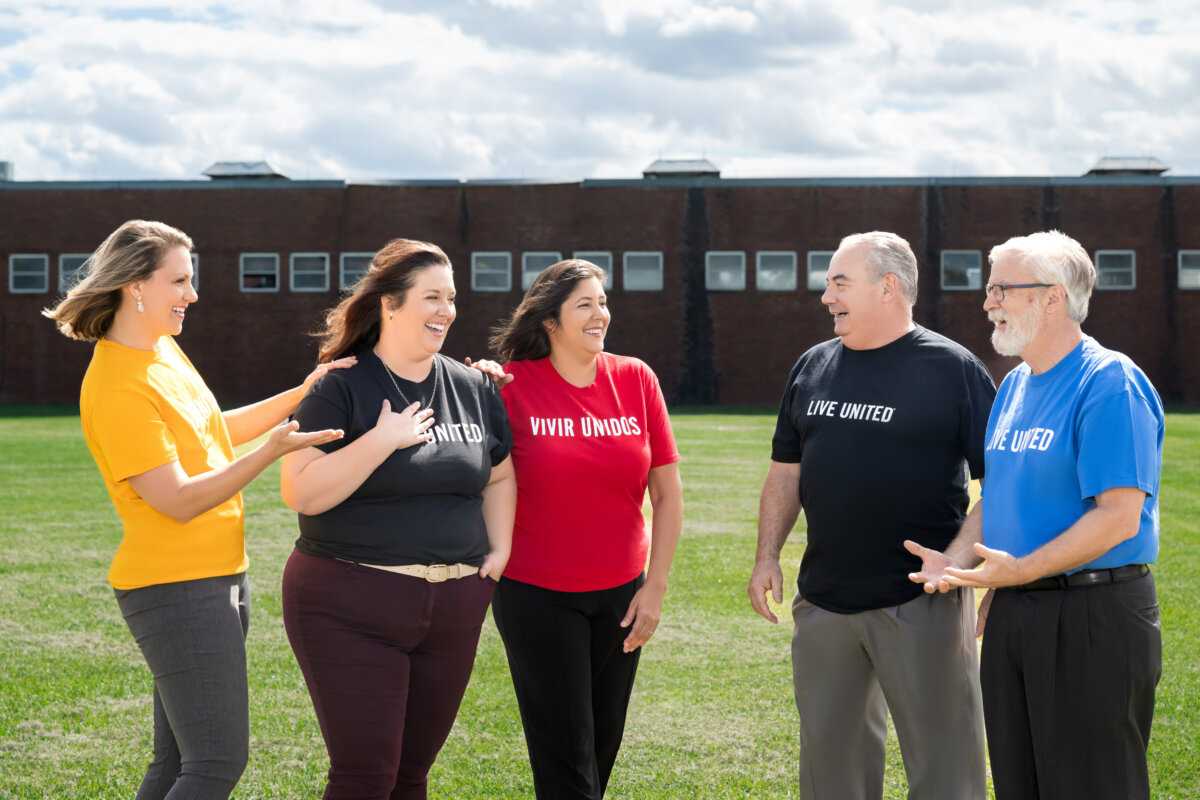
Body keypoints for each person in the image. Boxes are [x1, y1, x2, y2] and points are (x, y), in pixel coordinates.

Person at [43, 219, 350, 800]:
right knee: (214, 764)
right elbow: (177, 499)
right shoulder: (116, 385)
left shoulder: (163, 351)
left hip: (217, 578)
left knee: (176, 765)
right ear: (136, 285)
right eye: (179, 281)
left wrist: (305, 390)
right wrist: (271, 454)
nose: (193, 294)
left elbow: (212, 431)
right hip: (175, 586)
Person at [907, 230, 1164, 800]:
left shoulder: (1108, 383)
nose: (987, 301)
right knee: (1020, 782)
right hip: (1017, 612)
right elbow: (996, 497)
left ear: (1053, 298)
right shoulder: (1015, 385)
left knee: (1093, 785)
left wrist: (1019, 572)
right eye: (989, 288)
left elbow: (1119, 517)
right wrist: (955, 559)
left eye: (1003, 288)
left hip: (1094, 614)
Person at [747, 231, 994, 800]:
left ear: (888, 288)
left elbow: (1000, 485)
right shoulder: (813, 365)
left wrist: (957, 561)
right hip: (825, 602)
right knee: (832, 777)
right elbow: (786, 471)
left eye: (839, 282)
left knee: (946, 772)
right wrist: (767, 557)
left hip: (919, 600)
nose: (825, 295)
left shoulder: (953, 369)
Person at [279, 238, 516, 800]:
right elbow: (301, 491)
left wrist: (499, 552)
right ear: (389, 303)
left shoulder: (473, 385)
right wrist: (381, 441)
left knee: (412, 778)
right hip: (350, 605)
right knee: (365, 779)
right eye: (431, 297)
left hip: (454, 610)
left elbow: (500, 476)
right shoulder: (340, 384)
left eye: (452, 297)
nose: (447, 311)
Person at [481, 259, 683, 800]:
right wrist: (468, 383)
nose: (602, 315)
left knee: (601, 745)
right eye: (586, 305)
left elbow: (666, 494)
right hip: (537, 595)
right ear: (550, 320)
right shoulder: (508, 386)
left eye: (604, 302)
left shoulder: (636, 379)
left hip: (621, 594)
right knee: (566, 755)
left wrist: (654, 587)